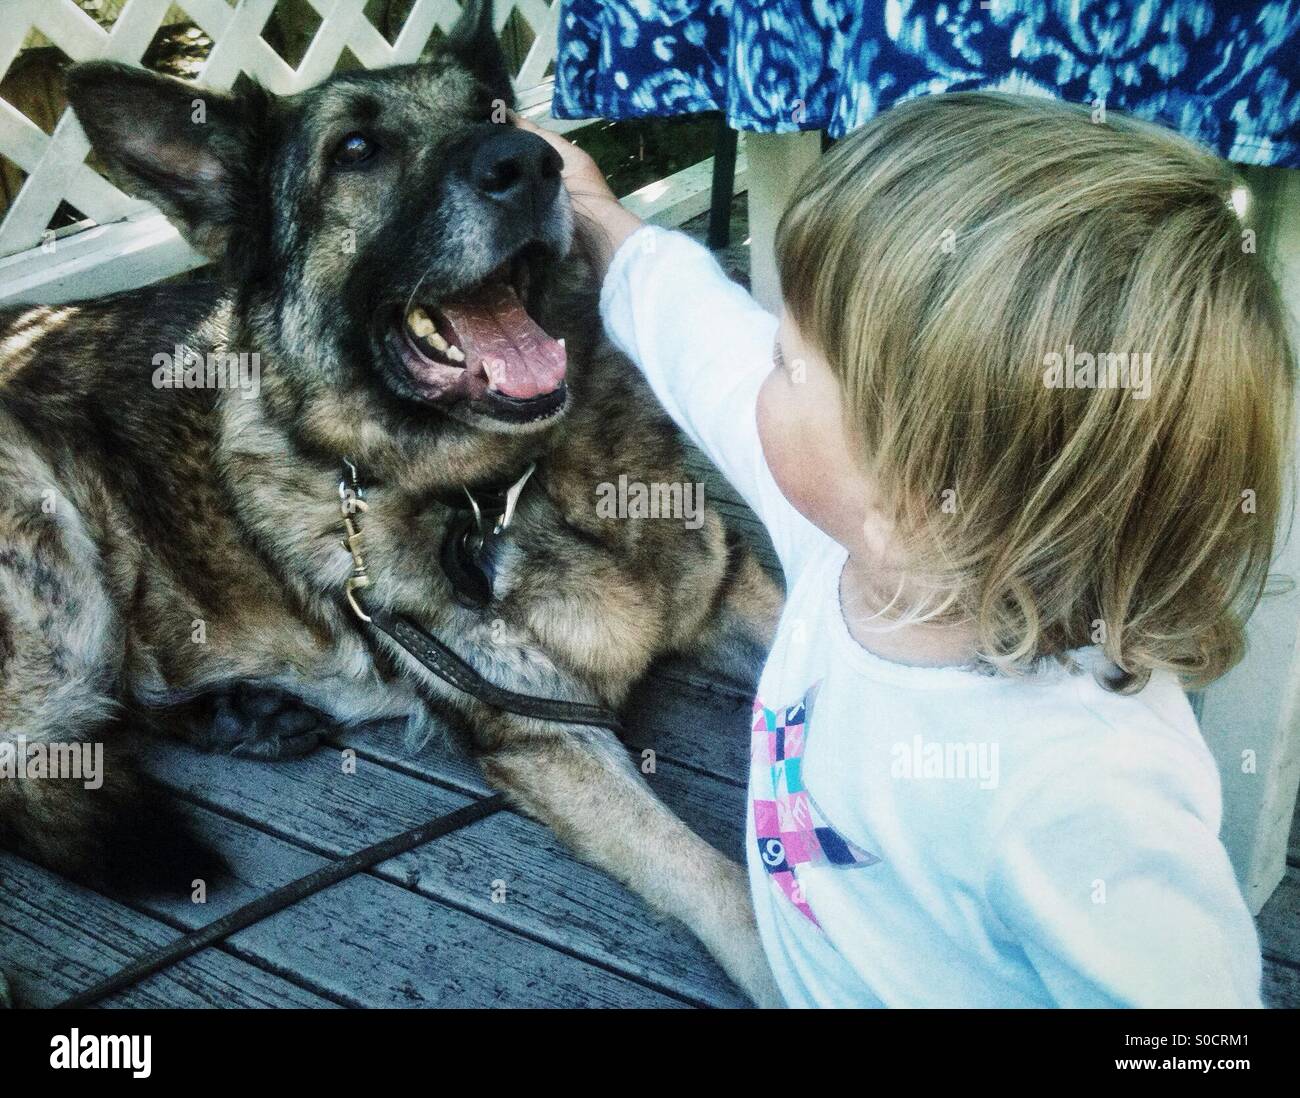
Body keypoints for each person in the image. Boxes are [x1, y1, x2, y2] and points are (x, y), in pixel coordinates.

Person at [514, 92, 1292, 1007]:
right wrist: (602, 214)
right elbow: (701, 340)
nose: (758, 355)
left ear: (909, 485)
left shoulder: (1087, 798)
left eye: (788, 360)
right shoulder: (868, 547)